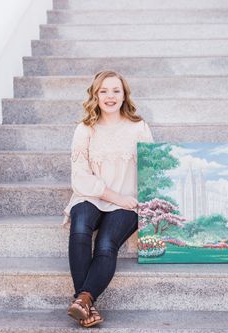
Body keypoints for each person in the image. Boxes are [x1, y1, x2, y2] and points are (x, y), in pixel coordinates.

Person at [62, 70, 153, 328]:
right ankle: (85, 304)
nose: (110, 96)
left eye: (116, 90)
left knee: (105, 245)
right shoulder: (85, 129)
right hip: (91, 195)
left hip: (128, 201)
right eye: (104, 91)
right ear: (95, 95)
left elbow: (151, 168)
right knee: (80, 230)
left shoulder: (139, 127)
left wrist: (127, 200)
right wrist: (114, 196)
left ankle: (83, 301)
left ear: (124, 95)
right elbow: (80, 178)